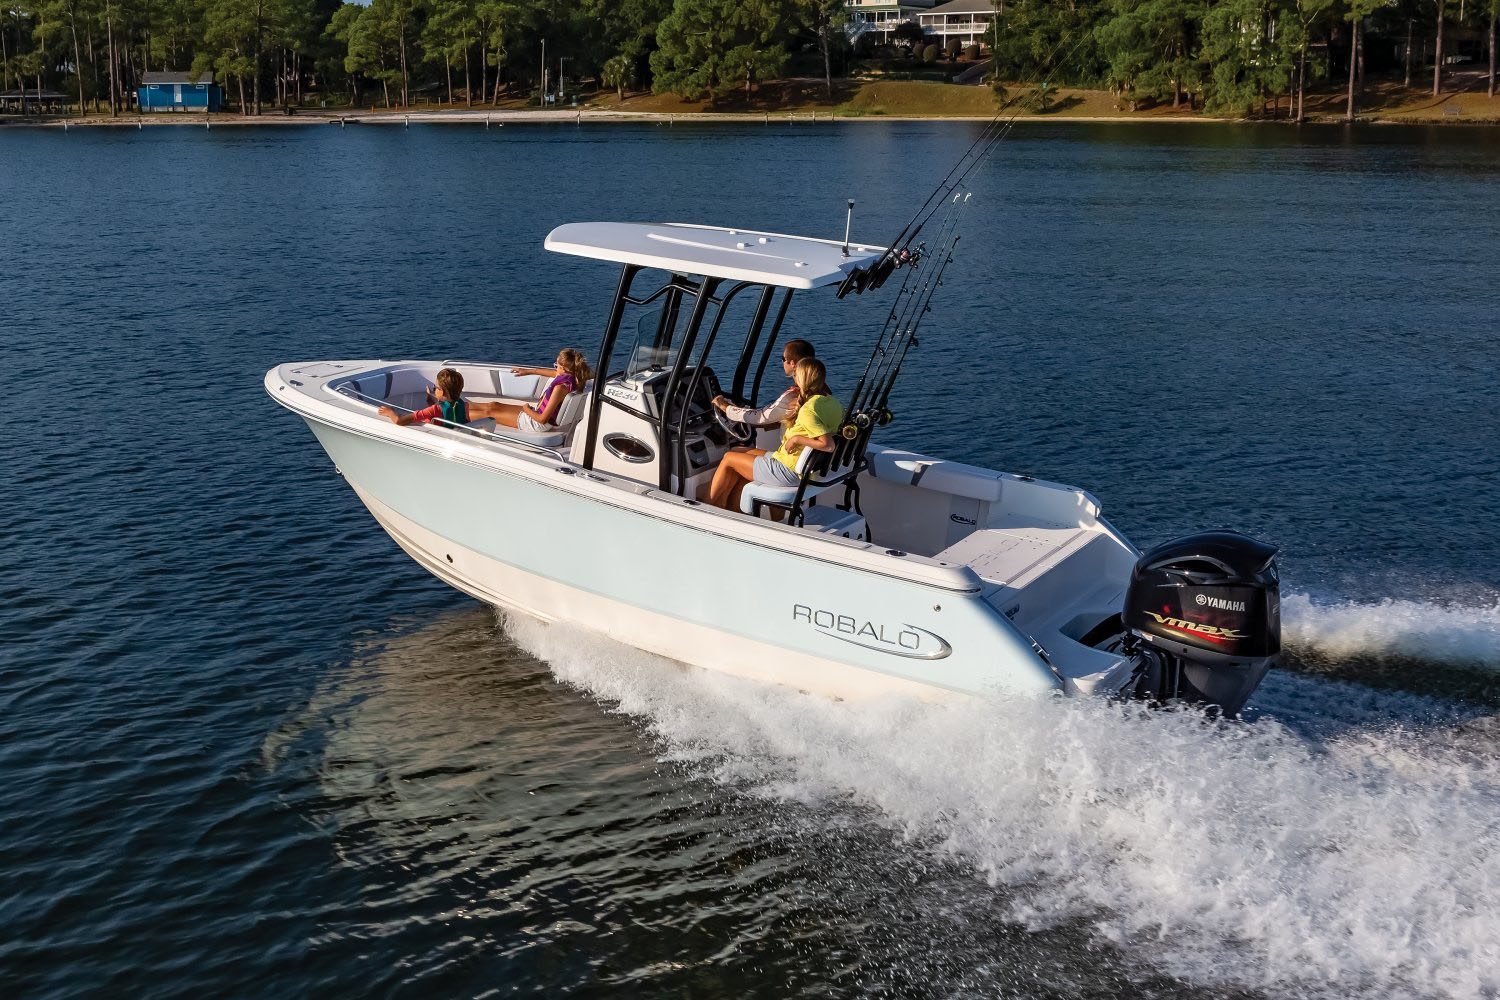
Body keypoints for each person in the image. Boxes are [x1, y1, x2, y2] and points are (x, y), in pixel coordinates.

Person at [706, 358, 843, 513]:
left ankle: (706, 508)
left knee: (729, 459)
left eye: (796, 376)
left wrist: (796, 439)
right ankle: (726, 509)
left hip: (788, 471)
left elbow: (828, 444)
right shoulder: (832, 403)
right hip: (798, 464)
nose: (794, 379)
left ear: (802, 379)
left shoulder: (808, 410)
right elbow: (815, 428)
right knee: (738, 451)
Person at [468, 348, 594, 432]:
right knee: (494, 405)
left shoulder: (560, 388)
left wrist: (526, 409)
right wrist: (528, 371)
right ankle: (462, 407)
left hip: (536, 423)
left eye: (557, 366)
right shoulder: (573, 377)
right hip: (535, 414)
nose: (555, 368)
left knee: (490, 414)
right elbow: (551, 373)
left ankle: (455, 416)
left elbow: (542, 419)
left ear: (565, 369)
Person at [710, 338, 816, 429]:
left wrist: (724, 406)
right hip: (806, 449)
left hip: (791, 451)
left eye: (783, 359)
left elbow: (761, 417)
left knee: (731, 452)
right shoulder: (821, 390)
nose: (782, 362)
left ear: (792, 363)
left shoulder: (792, 396)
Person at [379, 367, 469, 426]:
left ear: (442, 392)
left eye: (436, 388)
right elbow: (444, 411)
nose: (434, 389)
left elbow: (399, 421)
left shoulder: (434, 409)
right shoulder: (461, 404)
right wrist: (430, 399)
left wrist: (390, 412)